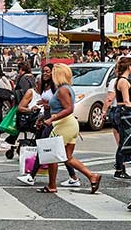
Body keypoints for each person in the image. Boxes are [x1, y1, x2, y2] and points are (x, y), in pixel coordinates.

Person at [40, 62, 99, 193]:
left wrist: (51, 119)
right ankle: (92, 176)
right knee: (67, 157)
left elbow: (69, 109)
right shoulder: (67, 88)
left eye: (54, 72)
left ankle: (52, 185)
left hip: (63, 124)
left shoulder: (62, 89)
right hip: (70, 124)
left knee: (52, 156)